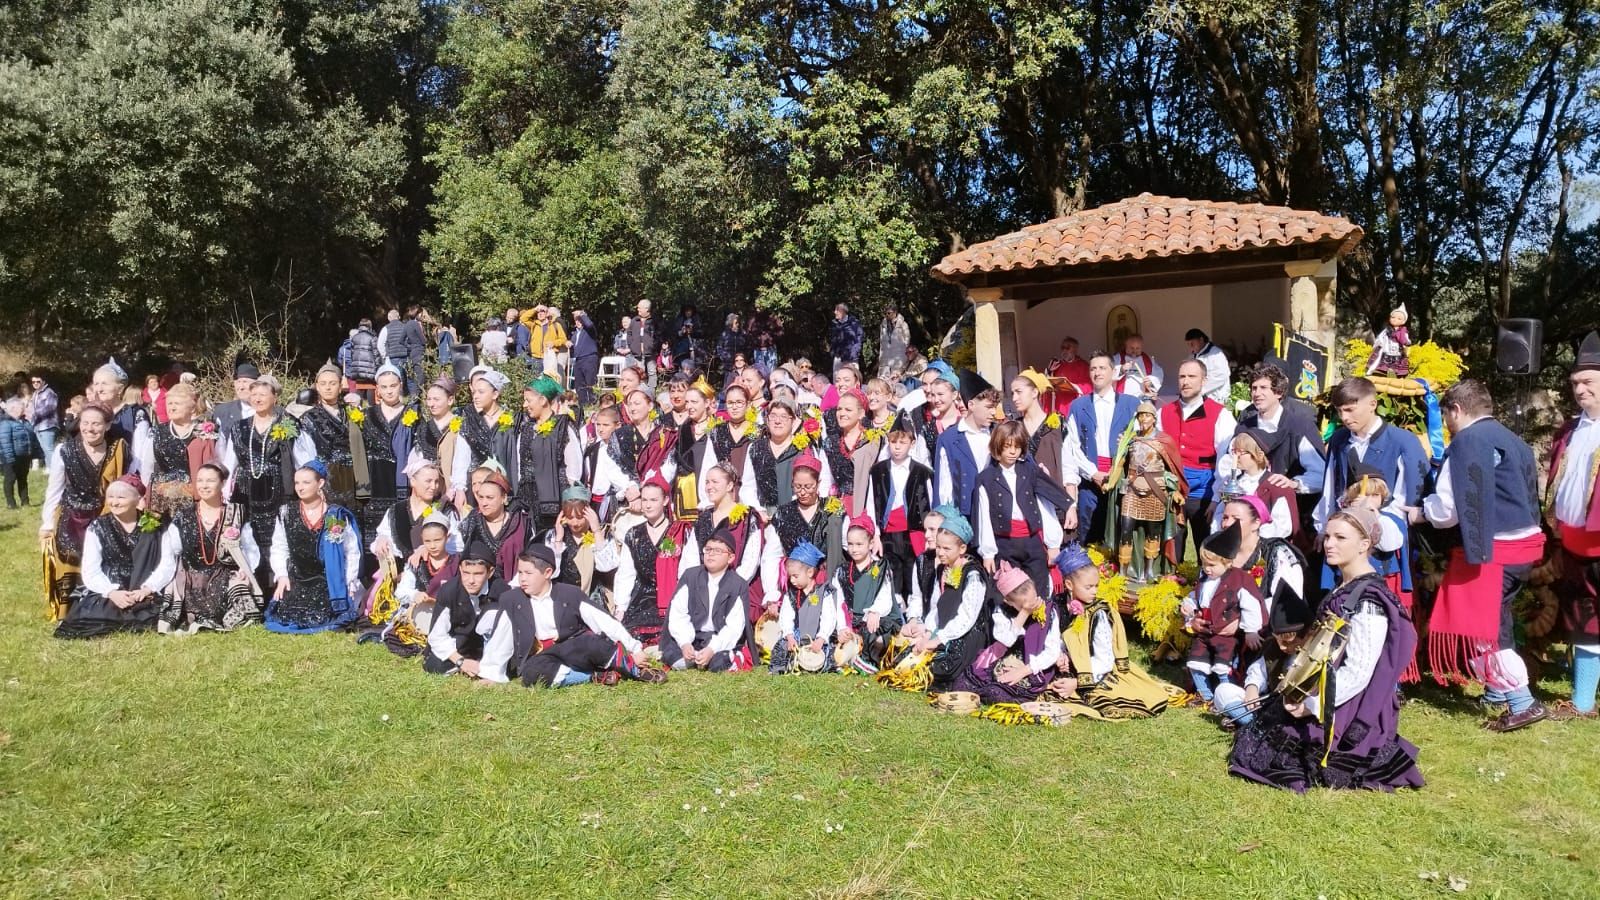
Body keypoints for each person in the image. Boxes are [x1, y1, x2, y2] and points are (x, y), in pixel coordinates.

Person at [1228, 506, 1424, 793]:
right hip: (1324, 693)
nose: (1329, 543)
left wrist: (1310, 706)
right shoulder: (1345, 587)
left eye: (1340, 538)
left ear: (1364, 545)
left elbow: (1358, 672)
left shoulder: (1369, 602)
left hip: (1348, 706)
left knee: (1272, 751)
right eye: (1328, 535)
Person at [1411, 379, 1546, 731]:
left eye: (1446, 418)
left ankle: (1522, 700)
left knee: (1482, 627)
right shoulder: (1512, 439)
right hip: (1523, 546)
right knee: (1496, 620)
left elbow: (1448, 509)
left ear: (1455, 410)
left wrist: (1419, 513)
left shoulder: (1467, 441)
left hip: (1492, 550)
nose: (1447, 426)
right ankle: (1498, 692)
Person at [491, 545, 663, 687]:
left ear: (547, 573)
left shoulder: (569, 594)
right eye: (520, 573)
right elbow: (500, 638)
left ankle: (634, 670)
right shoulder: (512, 599)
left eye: (528, 573)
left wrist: (634, 648)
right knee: (531, 673)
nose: (522, 579)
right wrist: (491, 672)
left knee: (591, 642)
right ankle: (594, 677)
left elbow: (603, 621)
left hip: (573, 649)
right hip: (544, 656)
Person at [1313, 376, 1429, 566]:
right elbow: (1330, 488)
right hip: (1343, 543)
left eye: (1350, 410)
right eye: (1340, 411)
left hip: (1385, 546)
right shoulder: (1338, 440)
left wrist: (1375, 517)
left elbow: (1408, 500)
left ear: (1372, 404)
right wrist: (1323, 527)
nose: (1344, 418)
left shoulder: (1403, 442)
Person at [1052, 543, 1174, 718]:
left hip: (1098, 670)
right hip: (1072, 667)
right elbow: (1056, 637)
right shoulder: (1059, 605)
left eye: (1096, 586)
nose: (1094, 591)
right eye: (1088, 587)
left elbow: (1104, 659)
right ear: (1069, 585)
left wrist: (1077, 683)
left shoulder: (1099, 613)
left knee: (1106, 699)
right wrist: (1060, 655)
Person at [1548, 331, 1600, 720]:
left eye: (1588, 383)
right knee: (1583, 618)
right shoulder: (1568, 430)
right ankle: (1583, 701)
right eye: (1576, 384)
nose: (1580, 390)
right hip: (1574, 541)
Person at [53, 474, 175, 639]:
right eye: (110, 497)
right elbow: (91, 569)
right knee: (94, 617)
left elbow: (167, 564)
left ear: (137, 499)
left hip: (144, 587)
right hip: (111, 585)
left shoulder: (157, 527)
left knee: (155, 614)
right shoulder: (98, 527)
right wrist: (111, 592)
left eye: (121, 497)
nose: (114, 502)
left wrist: (148, 588)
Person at [40, 404, 130, 620]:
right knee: (70, 555)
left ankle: (101, 606)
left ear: (107, 426)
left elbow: (130, 482)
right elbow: (54, 489)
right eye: (85, 423)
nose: (90, 428)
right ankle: (70, 609)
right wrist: (47, 523)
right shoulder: (64, 450)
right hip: (72, 514)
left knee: (105, 557)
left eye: (96, 423)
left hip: (104, 515)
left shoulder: (118, 449)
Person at [974, 420, 1074, 598]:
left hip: (1032, 540)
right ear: (998, 447)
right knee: (1009, 592)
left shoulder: (1029, 470)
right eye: (1007, 447)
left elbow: (1049, 495)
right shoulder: (986, 478)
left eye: (1017, 447)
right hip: (1004, 544)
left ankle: (1040, 622)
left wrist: (1069, 507)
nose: (1013, 452)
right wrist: (988, 553)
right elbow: (984, 518)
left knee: (1039, 588)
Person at [264, 461, 363, 634]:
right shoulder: (286, 512)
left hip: (329, 581)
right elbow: (279, 547)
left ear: (321, 483)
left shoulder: (335, 514)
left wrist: (348, 582)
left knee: (328, 618)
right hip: (299, 577)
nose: (300, 488)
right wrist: (281, 575)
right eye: (297, 483)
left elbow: (351, 551)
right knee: (289, 617)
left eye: (306, 483)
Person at [161, 463, 261, 632]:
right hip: (192, 577)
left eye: (210, 481)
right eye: (200, 480)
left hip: (224, 573)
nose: (204, 485)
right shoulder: (184, 515)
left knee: (237, 591)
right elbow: (172, 551)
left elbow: (250, 548)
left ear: (222, 483)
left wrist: (245, 571)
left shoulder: (235, 513)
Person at [900, 508, 990, 692]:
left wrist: (937, 639)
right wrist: (927, 632)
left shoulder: (973, 575)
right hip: (945, 630)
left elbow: (966, 618)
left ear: (962, 548)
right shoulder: (944, 568)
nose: (940, 552)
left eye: (946, 548)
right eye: (939, 547)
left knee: (938, 668)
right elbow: (939, 610)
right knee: (907, 656)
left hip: (968, 635)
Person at [951, 561, 1063, 705]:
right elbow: (1007, 640)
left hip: (1031, 665)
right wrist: (1023, 614)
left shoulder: (1049, 611)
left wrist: (1023, 671)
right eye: (1022, 604)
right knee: (961, 685)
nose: (1032, 605)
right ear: (1008, 601)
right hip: (1002, 657)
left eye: (1033, 598)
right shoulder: (1002, 611)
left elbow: (1052, 652)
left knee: (995, 694)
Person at [1157, 358, 1237, 559]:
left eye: (1192, 376)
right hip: (1171, 491)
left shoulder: (1221, 415)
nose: (1186, 381)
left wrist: (1216, 498)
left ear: (1204, 380)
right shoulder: (1163, 412)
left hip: (1204, 492)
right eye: (1182, 376)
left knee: (1207, 551)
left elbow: (1226, 460)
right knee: (1171, 551)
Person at [1236, 363, 1326, 531]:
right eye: (1254, 388)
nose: (1257, 393)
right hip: (1248, 513)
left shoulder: (1300, 426)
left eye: (1263, 387)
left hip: (1292, 513)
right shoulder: (1244, 427)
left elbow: (1320, 474)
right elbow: (1230, 465)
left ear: (1278, 392)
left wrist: (1294, 483)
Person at [1105, 401, 1187, 582]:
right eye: (1140, 415)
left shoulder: (1163, 441)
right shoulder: (1131, 440)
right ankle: (1124, 571)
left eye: (1147, 415)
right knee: (1125, 530)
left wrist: (1175, 491)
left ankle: (1149, 570)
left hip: (1156, 491)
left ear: (1154, 419)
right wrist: (1111, 482)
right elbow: (1119, 463)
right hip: (1132, 490)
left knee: (1153, 533)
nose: (1143, 419)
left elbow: (1172, 470)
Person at [1213, 580, 1313, 729]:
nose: (1283, 647)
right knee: (1223, 691)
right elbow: (1259, 670)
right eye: (1279, 641)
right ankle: (1255, 725)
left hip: (1296, 712)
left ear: (1307, 636)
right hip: (1268, 706)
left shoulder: (1314, 655)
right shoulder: (1274, 647)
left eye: (1289, 642)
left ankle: (1254, 726)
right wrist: (1252, 689)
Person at [1062, 352, 1141, 540]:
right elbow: (1072, 447)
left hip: (1123, 483)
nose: (1097, 372)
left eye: (1102, 368)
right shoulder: (1077, 406)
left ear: (1113, 372)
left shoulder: (1132, 404)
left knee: (1123, 537)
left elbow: (1143, 440)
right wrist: (1092, 473)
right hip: (1090, 483)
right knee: (1090, 538)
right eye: (1093, 369)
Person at [1179, 523, 1258, 707]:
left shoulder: (1239, 580)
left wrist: (1251, 630)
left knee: (1224, 668)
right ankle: (1205, 695)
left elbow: (1251, 605)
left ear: (1227, 562)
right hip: (1205, 633)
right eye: (1204, 564)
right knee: (1196, 663)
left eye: (1212, 565)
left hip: (1226, 636)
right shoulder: (1205, 580)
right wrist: (1188, 604)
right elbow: (1196, 596)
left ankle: (1225, 698)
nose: (1207, 569)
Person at [863, 414, 934, 605]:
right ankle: (895, 610)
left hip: (914, 533)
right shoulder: (877, 471)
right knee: (892, 572)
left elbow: (931, 504)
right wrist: (875, 535)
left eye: (902, 442)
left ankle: (914, 608)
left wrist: (930, 534)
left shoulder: (922, 472)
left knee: (914, 572)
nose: (897, 446)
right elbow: (871, 503)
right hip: (888, 534)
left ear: (912, 443)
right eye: (893, 442)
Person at [662, 527, 755, 671]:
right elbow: (678, 613)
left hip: (717, 639)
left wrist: (712, 649)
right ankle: (696, 657)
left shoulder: (738, 585)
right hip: (693, 637)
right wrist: (685, 643)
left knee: (717, 663)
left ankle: (729, 656)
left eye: (718, 551)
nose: (711, 554)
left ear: (730, 558)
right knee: (672, 656)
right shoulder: (690, 576)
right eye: (708, 549)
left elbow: (734, 627)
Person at [615, 479, 691, 647]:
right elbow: (626, 574)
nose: (648, 505)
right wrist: (621, 607)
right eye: (644, 500)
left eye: (653, 500)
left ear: (665, 501)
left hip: (672, 597)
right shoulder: (633, 534)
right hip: (641, 598)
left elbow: (687, 572)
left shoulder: (678, 532)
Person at [759, 452, 844, 598]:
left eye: (808, 486)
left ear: (818, 483)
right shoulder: (783, 513)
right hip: (794, 585)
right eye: (798, 487)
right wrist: (772, 592)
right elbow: (771, 555)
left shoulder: (832, 509)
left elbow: (848, 543)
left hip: (827, 582)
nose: (803, 492)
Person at [422, 544, 512, 677]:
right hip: (460, 642)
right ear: (460, 569)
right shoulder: (449, 591)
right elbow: (437, 636)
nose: (471, 581)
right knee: (435, 665)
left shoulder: (502, 591)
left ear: (490, 572)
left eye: (478, 574)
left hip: (489, 643)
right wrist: (460, 661)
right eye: (466, 573)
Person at [133, 382, 217, 513]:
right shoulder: (157, 431)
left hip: (196, 498)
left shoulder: (204, 432)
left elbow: (215, 466)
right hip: (161, 498)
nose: (171, 408)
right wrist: (152, 489)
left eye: (176, 404)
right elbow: (147, 467)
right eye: (169, 404)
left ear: (192, 408)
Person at [740, 399, 832, 517]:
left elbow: (821, 482)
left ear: (793, 421)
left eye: (784, 416)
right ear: (767, 420)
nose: (777, 421)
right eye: (773, 416)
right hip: (763, 516)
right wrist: (758, 510)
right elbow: (748, 485)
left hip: (799, 515)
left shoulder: (804, 448)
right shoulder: (756, 448)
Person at [515, 375, 582, 534]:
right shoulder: (526, 428)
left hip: (556, 499)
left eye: (529, 400)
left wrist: (570, 503)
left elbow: (574, 469)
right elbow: (520, 464)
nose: (525, 405)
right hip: (528, 499)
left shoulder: (563, 428)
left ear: (543, 400)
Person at [833, 516, 900, 672]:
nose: (854, 549)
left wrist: (874, 611)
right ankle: (856, 658)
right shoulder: (842, 571)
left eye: (859, 544)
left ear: (871, 544)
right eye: (850, 544)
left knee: (875, 633)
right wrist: (842, 627)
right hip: (851, 622)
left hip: (873, 619)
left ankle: (869, 659)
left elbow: (885, 596)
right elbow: (838, 602)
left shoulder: (880, 567)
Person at [768, 541, 841, 674]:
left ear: (810, 572)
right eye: (790, 577)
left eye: (795, 576)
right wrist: (789, 636)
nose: (792, 581)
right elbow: (786, 616)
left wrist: (821, 638)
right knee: (782, 648)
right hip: (797, 637)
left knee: (830, 655)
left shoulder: (824, 592)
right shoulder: (791, 594)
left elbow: (829, 618)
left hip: (817, 638)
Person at [933, 370, 999, 516]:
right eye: (989, 407)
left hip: (997, 514)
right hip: (965, 516)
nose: (994, 412)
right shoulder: (948, 439)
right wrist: (943, 518)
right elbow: (944, 484)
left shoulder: (999, 433)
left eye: (995, 407)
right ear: (971, 405)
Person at [1213, 430, 1298, 541]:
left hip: (1263, 547)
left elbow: (1283, 526)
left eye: (1241, 452)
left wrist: (1249, 535)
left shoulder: (1276, 486)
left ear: (1259, 454)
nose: (1235, 457)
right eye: (1234, 451)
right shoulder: (1233, 484)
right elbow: (1219, 515)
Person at [297, 364, 360, 511]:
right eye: (323, 384)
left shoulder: (352, 413)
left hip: (353, 476)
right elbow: (305, 455)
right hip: (326, 477)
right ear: (317, 387)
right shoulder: (309, 418)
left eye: (333, 383)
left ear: (340, 387)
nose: (328, 388)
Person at [457, 465, 530, 582]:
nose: (484, 503)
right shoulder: (472, 521)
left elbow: (531, 559)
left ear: (503, 498)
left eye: (489, 498)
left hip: (514, 587)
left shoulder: (522, 523)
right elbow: (454, 550)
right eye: (481, 497)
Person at [451, 366, 516, 496]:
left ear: (495, 394)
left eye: (481, 392)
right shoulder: (470, 421)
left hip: (504, 484)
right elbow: (461, 457)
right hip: (476, 486)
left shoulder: (512, 420)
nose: (475, 396)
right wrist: (459, 488)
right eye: (474, 392)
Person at [1010, 369, 1068, 490]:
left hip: (1054, 498)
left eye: (1019, 392)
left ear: (1034, 392)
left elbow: (1069, 466)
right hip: (1022, 496)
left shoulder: (1058, 425)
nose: (1014, 398)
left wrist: (1071, 503)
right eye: (1012, 393)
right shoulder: (1013, 427)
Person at [0, 398, 36, 507]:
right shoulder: (6, 423)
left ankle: (25, 502)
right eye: (21, 407)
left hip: (24, 456)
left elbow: (31, 438)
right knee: (10, 479)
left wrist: (33, 453)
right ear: (13, 408)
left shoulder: (25, 422)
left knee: (23, 479)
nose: (24, 408)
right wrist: (9, 458)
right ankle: (11, 503)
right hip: (11, 457)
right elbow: (5, 441)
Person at [1366, 304, 1412, 377]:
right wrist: (1379, 344)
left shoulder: (1403, 331)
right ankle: (1382, 371)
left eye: (1399, 319)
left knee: (1397, 361)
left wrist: (1406, 343)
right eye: (1393, 317)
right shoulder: (1387, 330)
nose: (1395, 319)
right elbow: (1380, 337)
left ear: (1403, 321)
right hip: (1387, 348)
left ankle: (1396, 373)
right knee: (1382, 359)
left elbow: (1406, 340)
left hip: (1398, 351)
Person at [1185, 328, 1231, 404]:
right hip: (1199, 400)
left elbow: (1222, 375)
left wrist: (1199, 389)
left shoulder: (1216, 353)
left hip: (1216, 400)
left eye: (1192, 343)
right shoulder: (1192, 356)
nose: (1191, 347)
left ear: (1201, 340)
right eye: (1188, 344)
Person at [1112, 334, 1162, 399]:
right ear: (1126, 346)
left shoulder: (1149, 361)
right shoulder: (1117, 359)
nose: (1134, 351)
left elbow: (1158, 375)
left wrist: (1151, 382)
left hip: (1142, 400)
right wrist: (1121, 369)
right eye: (1131, 348)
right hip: (1122, 398)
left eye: (1137, 348)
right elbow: (1108, 374)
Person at [1046, 336, 1092, 403]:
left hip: (1075, 401)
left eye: (1067, 348)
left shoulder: (1084, 366)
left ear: (1075, 349)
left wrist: (1073, 386)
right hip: (1060, 402)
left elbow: (1089, 386)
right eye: (1062, 348)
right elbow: (1049, 384)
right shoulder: (1057, 364)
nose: (1064, 350)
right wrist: (1049, 372)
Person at [570, 309, 601, 404]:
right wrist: (569, 344)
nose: (578, 322)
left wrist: (582, 314)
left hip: (589, 358)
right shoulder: (574, 334)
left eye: (580, 320)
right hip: (578, 360)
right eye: (576, 320)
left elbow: (589, 324)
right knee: (579, 384)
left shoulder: (589, 330)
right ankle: (583, 404)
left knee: (590, 382)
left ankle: (593, 402)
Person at [28, 372, 59, 466]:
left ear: (44, 382)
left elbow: (49, 408)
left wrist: (33, 415)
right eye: (33, 382)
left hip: (48, 425)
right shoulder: (35, 394)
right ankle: (50, 468)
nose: (35, 383)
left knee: (49, 449)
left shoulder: (49, 392)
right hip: (38, 426)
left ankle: (56, 469)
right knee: (44, 449)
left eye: (38, 381)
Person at [345, 318, 381, 388]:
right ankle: (370, 400)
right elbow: (376, 354)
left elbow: (352, 354)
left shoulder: (354, 337)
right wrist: (378, 367)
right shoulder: (372, 337)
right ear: (370, 326)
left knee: (359, 387)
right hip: (369, 368)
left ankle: (358, 399)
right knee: (371, 387)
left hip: (356, 368)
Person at [828, 303, 864, 373]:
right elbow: (833, 339)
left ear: (843, 311)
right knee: (837, 378)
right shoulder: (835, 323)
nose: (835, 312)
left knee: (852, 377)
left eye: (837, 310)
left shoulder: (854, 323)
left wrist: (855, 352)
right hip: (838, 357)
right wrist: (833, 352)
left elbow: (860, 338)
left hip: (851, 357)